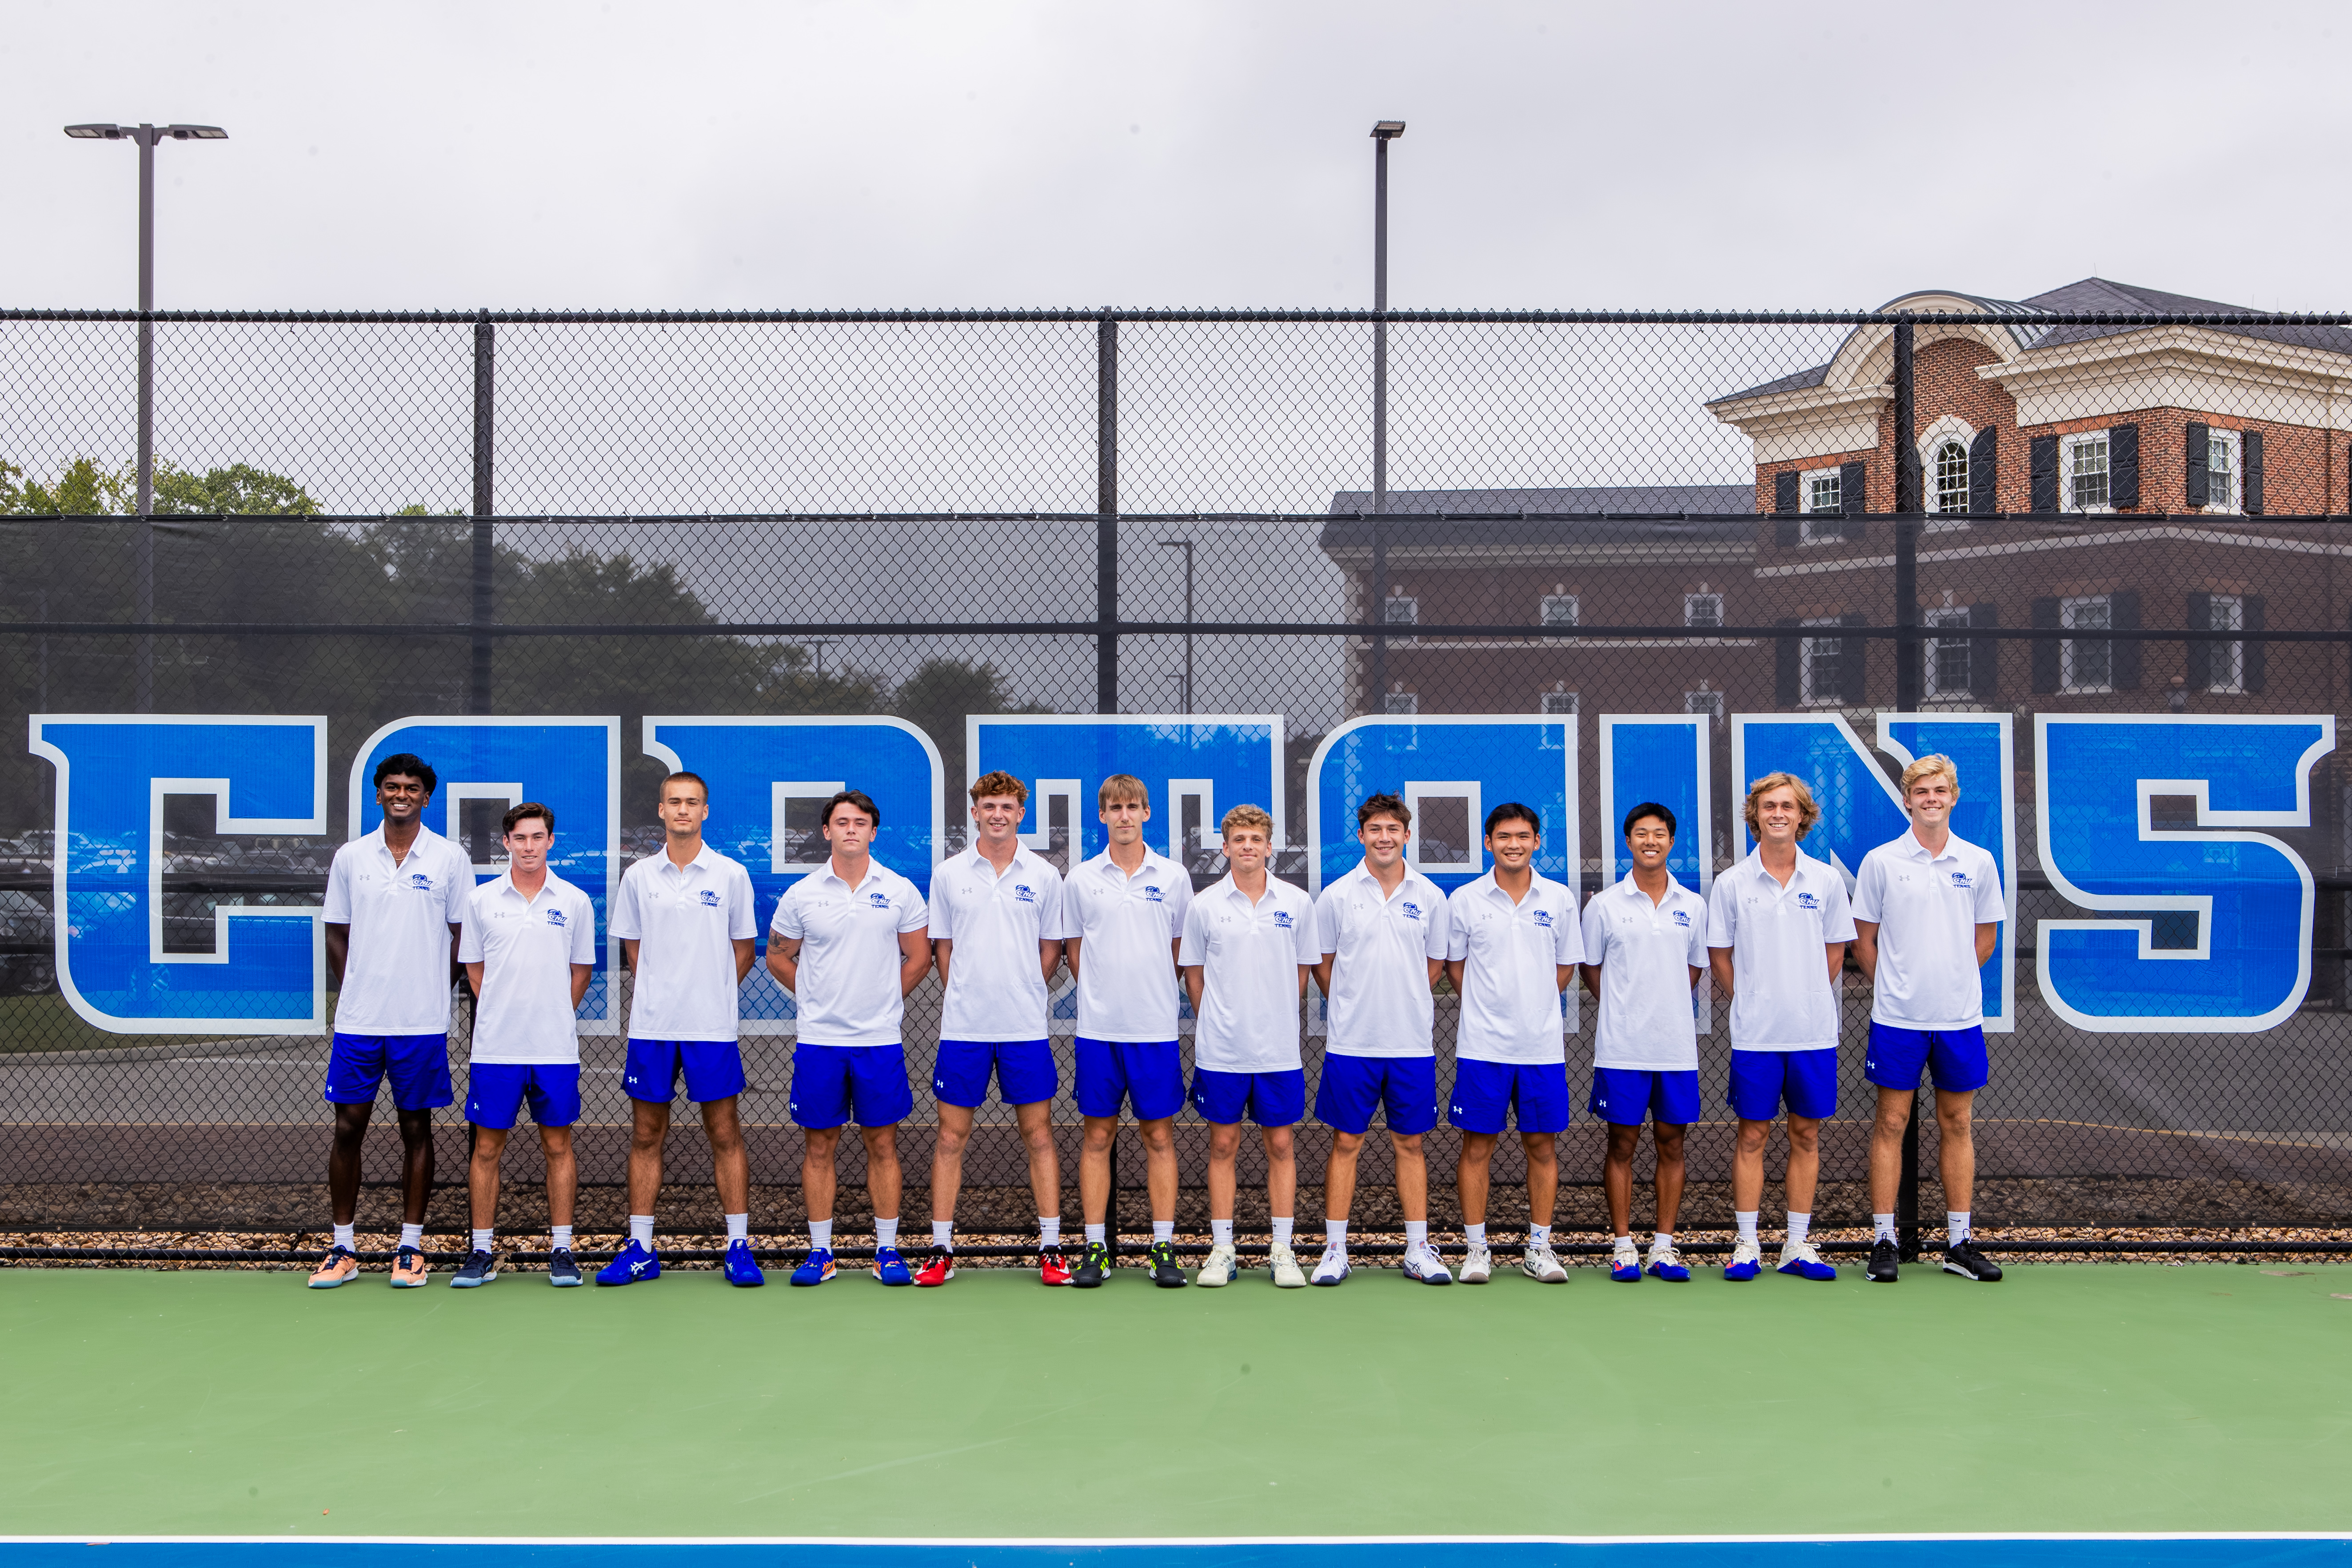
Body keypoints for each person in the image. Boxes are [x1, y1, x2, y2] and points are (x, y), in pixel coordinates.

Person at [310, 753, 469, 1289]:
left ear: (427, 796)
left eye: (413, 787)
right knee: (348, 1126)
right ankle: (343, 1247)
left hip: (420, 1023)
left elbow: (461, 936)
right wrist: (355, 984)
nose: (402, 794)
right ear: (378, 793)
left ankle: (409, 1247)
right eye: (393, 786)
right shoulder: (352, 857)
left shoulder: (449, 857)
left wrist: (433, 988)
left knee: (416, 1129)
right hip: (360, 1021)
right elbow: (336, 932)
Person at [768, 788, 932, 1287]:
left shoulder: (900, 889)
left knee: (882, 1144)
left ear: (873, 831)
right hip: (820, 1041)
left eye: (860, 822)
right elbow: (778, 956)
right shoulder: (802, 893)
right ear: (826, 831)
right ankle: (822, 1253)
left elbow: (919, 957)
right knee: (820, 1146)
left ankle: (887, 1251)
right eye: (842, 822)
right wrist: (817, 998)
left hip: (878, 1040)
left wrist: (884, 999)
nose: (851, 829)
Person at [603, 771, 761, 1287]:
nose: (683, 811)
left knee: (724, 1132)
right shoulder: (638, 876)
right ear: (661, 809)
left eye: (692, 803)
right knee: (647, 1134)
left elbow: (743, 950)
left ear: (705, 811)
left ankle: (738, 1244)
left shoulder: (731, 874)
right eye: (675, 802)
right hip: (653, 1027)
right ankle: (642, 1248)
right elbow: (634, 951)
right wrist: (665, 989)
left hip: (711, 1028)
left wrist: (709, 991)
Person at [1852, 754, 2005, 1284]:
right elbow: (1863, 939)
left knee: (1957, 1123)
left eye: (1940, 790)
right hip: (1897, 1018)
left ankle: (1959, 1243)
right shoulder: (1881, 861)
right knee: (1891, 1122)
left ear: (1953, 796)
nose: (1931, 799)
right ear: (1907, 799)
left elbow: (1984, 939)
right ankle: (1884, 1240)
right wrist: (1897, 986)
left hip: (1959, 1019)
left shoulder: (1979, 861)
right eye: (1921, 791)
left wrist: (1952, 980)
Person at [917, 771, 1070, 1286]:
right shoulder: (948, 874)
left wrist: (1025, 987)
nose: (998, 814)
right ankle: (940, 1247)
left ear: (1021, 812)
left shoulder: (1045, 875)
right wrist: (968, 992)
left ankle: (1051, 1248)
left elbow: (1051, 948)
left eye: (1007, 806)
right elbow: (942, 949)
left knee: (1039, 1135)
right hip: (964, 1029)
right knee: (950, 1137)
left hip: (1025, 1028)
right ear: (975, 812)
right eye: (989, 806)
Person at [1705, 773, 1853, 1284]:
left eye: (1788, 806)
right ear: (1755, 814)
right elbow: (1719, 955)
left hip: (1812, 1032)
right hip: (1756, 1035)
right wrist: (1749, 997)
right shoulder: (1731, 883)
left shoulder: (1826, 881)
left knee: (1806, 1135)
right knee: (1752, 1135)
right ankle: (1746, 1243)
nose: (1778, 814)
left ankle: (1795, 1243)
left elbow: (1835, 950)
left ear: (1803, 816)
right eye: (1769, 805)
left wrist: (1806, 991)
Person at [451, 803, 596, 1289]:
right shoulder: (481, 900)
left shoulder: (574, 900)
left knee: (558, 1144)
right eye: (520, 837)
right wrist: (506, 1009)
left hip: (554, 1048)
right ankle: (481, 1250)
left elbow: (580, 971)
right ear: (506, 843)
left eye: (538, 837)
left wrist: (553, 1011)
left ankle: (561, 1248)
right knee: (487, 1148)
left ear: (550, 841)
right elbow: (475, 970)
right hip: (496, 1049)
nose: (529, 846)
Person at [1311, 792, 1453, 1286]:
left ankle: (1417, 1249)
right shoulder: (1336, 895)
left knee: (1409, 1142)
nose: (1384, 837)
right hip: (1352, 1045)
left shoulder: (1430, 896)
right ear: (1361, 836)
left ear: (1407, 835)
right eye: (1375, 829)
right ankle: (1334, 1251)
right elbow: (1324, 966)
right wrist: (1352, 1004)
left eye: (1393, 828)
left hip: (1410, 1045)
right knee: (1346, 1140)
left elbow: (1433, 966)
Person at [1062, 774, 1193, 1288]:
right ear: (1102, 815)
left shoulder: (1174, 876)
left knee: (1159, 1136)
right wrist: (1102, 992)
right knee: (1097, 1136)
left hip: (1155, 1029)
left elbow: (1182, 950)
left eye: (1132, 807)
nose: (1123, 815)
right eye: (1114, 807)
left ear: (1146, 813)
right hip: (1098, 1031)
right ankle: (1095, 1247)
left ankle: (1163, 1245)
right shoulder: (1081, 878)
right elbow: (1075, 951)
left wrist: (1152, 990)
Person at [1180, 804, 1318, 1289]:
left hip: (1278, 1050)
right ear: (1225, 846)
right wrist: (1220, 1016)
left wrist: (1272, 1009)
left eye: (1255, 839)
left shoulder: (1297, 903)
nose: (1247, 847)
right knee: (1223, 1143)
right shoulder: (1204, 905)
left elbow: (1301, 973)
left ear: (1268, 846)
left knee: (1280, 1143)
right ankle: (1222, 1249)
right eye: (1238, 839)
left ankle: (1282, 1248)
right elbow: (1194, 975)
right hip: (1222, 1051)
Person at [1444, 802, 1581, 1285]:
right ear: (1488, 842)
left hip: (1541, 1049)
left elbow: (1565, 968)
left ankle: (1538, 1248)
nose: (1513, 844)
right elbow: (1455, 968)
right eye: (1503, 836)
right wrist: (1490, 1006)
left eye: (1523, 835)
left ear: (1537, 841)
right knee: (1477, 1145)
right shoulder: (1464, 899)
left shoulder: (1560, 898)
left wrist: (1535, 1004)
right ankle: (1476, 1249)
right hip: (1482, 1047)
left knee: (1541, 1146)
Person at [1581, 802, 1708, 1284]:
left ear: (1671, 842)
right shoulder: (1605, 905)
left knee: (1672, 1145)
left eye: (1659, 833)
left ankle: (1663, 1247)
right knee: (1622, 1143)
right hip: (1622, 1049)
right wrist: (1626, 1007)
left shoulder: (1692, 905)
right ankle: (1622, 1247)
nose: (1650, 840)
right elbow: (1592, 969)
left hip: (1675, 1049)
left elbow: (1692, 970)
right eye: (1640, 833)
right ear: (1628, 841)